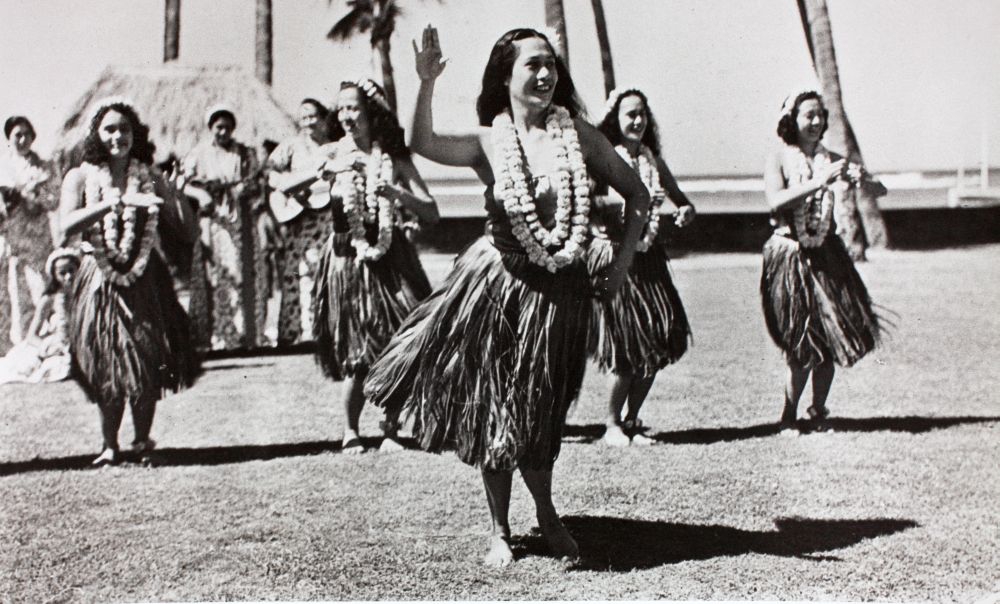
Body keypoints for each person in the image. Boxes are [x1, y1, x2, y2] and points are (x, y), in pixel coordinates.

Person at [364, 26, 650, 566]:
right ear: (506, 76)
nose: (545, 75)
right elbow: (422, 143)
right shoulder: (487, 141)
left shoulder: (580, 136)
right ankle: (499, 527)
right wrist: (424, 83)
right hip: (495, 290)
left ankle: (545, 511)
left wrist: (620, 265)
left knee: (542, 410)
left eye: (551, 65)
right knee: (495, 407)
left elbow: (636, 194)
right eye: (532, 66)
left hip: (558, 297)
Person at [59, 97, 199, 465]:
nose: (117, 136)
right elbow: (65, 226)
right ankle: (109, 444)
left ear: (134, 134)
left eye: (124, 129)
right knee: (107, 361)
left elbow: (186, 232)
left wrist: (174, 193)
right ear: (96, 134)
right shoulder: (80, 176)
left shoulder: (149, 175)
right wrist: (113, 204)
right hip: (98, 279)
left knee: (146, 355)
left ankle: (141, 440)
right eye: (109, 129)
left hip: (145, 278)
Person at [314, 79, 439, 454]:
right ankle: (350, 430)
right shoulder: (330, 154)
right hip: (345, 259)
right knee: (356, 350)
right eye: (341, 109)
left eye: (353, 108)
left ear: (371, 112)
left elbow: (431, 210)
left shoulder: (393, 158)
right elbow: (294, 189)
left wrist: (395, 193)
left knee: (398, 341)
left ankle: (391, 428)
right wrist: (324, 175)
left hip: (392, 257)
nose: (346, 115)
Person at [762, 89, 884, 433]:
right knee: (801, 342)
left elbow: (879, 192)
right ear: (792, 121)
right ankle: (788, 417)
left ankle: (817, 412)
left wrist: (865, 180)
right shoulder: (780, 159)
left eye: (820, 116)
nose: (816, 122)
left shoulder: (832, 158)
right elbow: (775, 201)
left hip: (828, 254)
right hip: (791, 255)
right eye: (808, 116)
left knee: (831, 336)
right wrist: (819, 182)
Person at [590, 87, 695, 446]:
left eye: (642, 115)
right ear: (614, 121)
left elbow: (682, 199)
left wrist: (682, 210)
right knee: (627, 344)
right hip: (617, 257)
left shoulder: (651, 158)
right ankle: (612, 425)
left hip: (648, 258)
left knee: (658, 339)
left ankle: (632, 420)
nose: (637, 121)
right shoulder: (604, 156)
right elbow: (590, 201)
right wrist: (626, 202)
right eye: (629, 114)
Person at [181, 105, 268, 351]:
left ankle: (244, 335)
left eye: (227, 127)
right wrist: (201, 194)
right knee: (215, 273)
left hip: (240, 218)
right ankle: (218, 336)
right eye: (218, 127)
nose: (223, 132)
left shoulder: (244, 153)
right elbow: (183, 184)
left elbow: (256, 181)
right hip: (213, 221)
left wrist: (243, 189)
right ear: (211, 128)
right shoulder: (198, 154)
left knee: (243, 271)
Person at [266, 98, 336, 346]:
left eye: (312, 116)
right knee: (301, 272)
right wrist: (289, 186)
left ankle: (323, 330)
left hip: (327, 217)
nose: (308, 122)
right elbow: (270, 172)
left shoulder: (333, 147)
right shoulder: (291, 146)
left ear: (324, 118)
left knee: (324, 272)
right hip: (301, 219)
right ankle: (299, 332)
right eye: (303, 117)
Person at [0, 116, 56, 355]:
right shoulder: (3, 168)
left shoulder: (45, 167)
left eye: (26, 134)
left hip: (39, 236)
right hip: (14, 236)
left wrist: (34, 195)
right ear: (9, 140)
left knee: (42, 287)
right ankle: (22, 343)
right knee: (16, 289)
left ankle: (45, 339)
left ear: (33, 137)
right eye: (16, 136)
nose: (22, 140)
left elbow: (55, 199)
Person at [0, 247, 79, 384]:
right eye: (62, 273)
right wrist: (48, 349)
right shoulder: (49, 299)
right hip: (57, 344)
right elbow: (31, 336)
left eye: (71, 270)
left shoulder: (87, 295)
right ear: (55, 275)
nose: (68, 276)